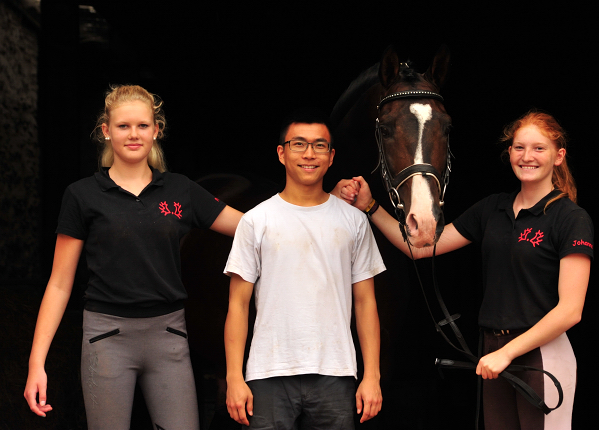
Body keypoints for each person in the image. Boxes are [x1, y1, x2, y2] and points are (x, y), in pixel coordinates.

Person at [337, 110, 593, 430]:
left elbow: (571, 311)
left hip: (541, 355)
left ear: (559, 156)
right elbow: (420, 248)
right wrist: (370, 206)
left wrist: (508, 353)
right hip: (492, 351)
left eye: (539, 148)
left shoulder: (570, 218)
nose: (527, 157)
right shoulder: (492, 208)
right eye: (519, 148)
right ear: (509, 152)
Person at [24, 85, 243, 430]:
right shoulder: (81, 196)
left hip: (168, 336)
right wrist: (37, 362)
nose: (133, 134)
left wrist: (326, 201)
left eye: (142, 125)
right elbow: (59, 284)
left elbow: (256, 227)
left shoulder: (180, 189)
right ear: (106, 131)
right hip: (106, 339)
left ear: (157, 130)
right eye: (123, 126)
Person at [224, 109, 385, 429]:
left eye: (319, 145)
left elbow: (366, 302)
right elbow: (238, 305)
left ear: (331, 156)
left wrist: (372, 376)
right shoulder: (256, 220)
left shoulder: (353, 221)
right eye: (299, 144)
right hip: (268, 372)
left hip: (336, 372)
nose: (309, 154)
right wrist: (233, 377)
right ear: (282, 153)